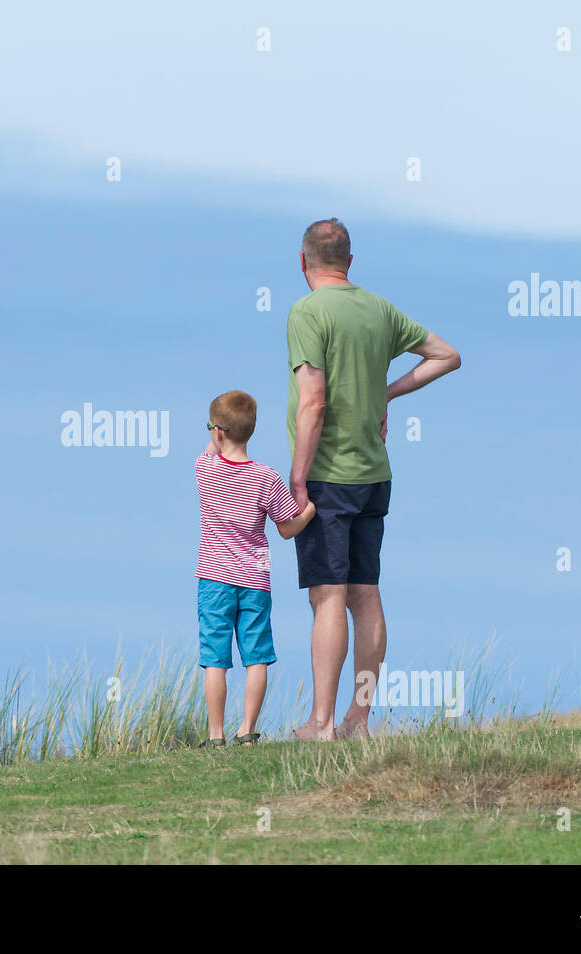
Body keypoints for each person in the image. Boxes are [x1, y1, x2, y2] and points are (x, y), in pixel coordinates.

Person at [286, 219, 461, 742]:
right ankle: (357, 721)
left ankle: (319, 723)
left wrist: (297, 480)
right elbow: (446, 356)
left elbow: (312, 401)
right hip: (374, 474)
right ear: (349, 261)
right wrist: (385, 392)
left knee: (327, 596)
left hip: (326, 475)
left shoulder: (307, 312)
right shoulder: (379, 308)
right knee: (366, 594)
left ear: (303, 262)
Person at [195, 389, 315, 747]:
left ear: (217, 431)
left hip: (214, 579)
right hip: (255, 581)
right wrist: (308, 511)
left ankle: (215, 736)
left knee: (215, 659)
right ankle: (247, 731)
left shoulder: (205, 468)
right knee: (256, 657)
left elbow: (209, 449)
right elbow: (286, 528)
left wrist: (216, 434)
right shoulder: (266, 478)